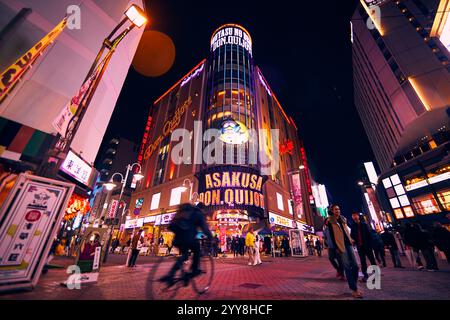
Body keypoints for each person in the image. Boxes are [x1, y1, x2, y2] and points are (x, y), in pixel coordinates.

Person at [159, 203, 212, 286]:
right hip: (188, 238)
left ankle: (171, 274)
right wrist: (211, 238)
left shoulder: (186, 210)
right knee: (197, 249)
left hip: (177, 239)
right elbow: (205, 228)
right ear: (202, 209)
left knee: (184, 255)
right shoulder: (199, 214)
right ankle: (194, 270)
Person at [326, 204, 362, 298]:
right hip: (340, 245)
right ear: (332, 211)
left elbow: (346, 230)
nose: (337, 210)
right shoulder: (330, 221)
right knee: (346, 266)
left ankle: (353, 285)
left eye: (338, 209)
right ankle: (354, 289)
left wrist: (351, 238)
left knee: (355, 266)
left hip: (349, 244)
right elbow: (332, 236)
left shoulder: (343, 219)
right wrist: (335, 247)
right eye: (335, 209)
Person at [350, 213, 377, 281]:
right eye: (353, 216)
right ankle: (365, 275)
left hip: (367, 245)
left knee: (372, 260)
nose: (354, 217)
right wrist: (353, 241)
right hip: (360, 246)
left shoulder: (364, 225)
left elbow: (369, 235)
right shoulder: (353, 226)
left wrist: (371, 245)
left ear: (358, 216)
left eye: (355, 215)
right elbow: (352, 235)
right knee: (363, 261)